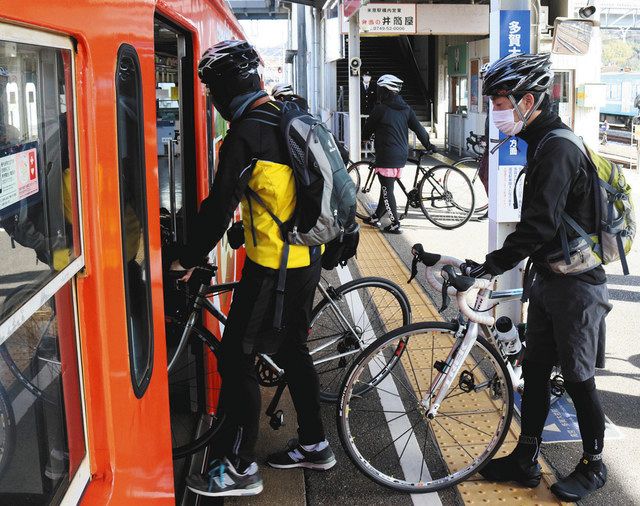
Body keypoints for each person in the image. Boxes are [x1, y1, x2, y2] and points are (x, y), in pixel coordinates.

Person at [171, 40, 335, 498]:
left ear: (224, 88)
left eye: (210, 90)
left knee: (234, 358)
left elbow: (219, 206)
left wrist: (186, 256)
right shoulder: (285, 115)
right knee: (291, 350)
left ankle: (239, 466)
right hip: (305, 259)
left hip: (273, 271)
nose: (210, 100)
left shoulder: (246, 130)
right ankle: (316, 443)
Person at [466, 53, 611, 502]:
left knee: (578, 376)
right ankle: (526, 456)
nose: (496, 111)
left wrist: (490, 264)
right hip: (550, 279)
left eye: (500, 102)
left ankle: (593, 464)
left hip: (577, 287)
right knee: (535, 368)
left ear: (528, 100)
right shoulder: (542, 140)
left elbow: (539, 226)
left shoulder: (560, 147)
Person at [361, 74, 434, 234]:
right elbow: (419, 129)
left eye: (379, 89)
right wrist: (429, 145)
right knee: (386, 187)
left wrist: (364, 139)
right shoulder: (406, 108)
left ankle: (394, 224)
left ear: (384, 91)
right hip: (401, 155)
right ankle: (376, 217)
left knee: (387, 190)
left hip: (387, 155)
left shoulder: (380, 109)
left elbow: (367, 128)